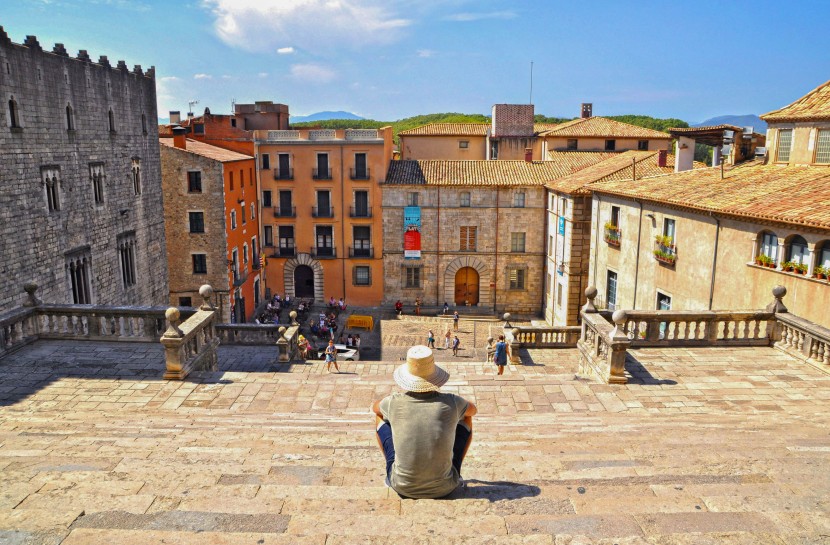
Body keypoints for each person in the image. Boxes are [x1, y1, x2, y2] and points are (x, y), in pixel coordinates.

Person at [372, 346, 477, 499]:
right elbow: (473, 411)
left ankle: (393, 472)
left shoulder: (393, 402)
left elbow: (375, 408)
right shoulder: (452, 402)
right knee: (466, 417)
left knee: (380, 416)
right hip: (445, 487)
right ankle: (456, 472)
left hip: (402, 486)